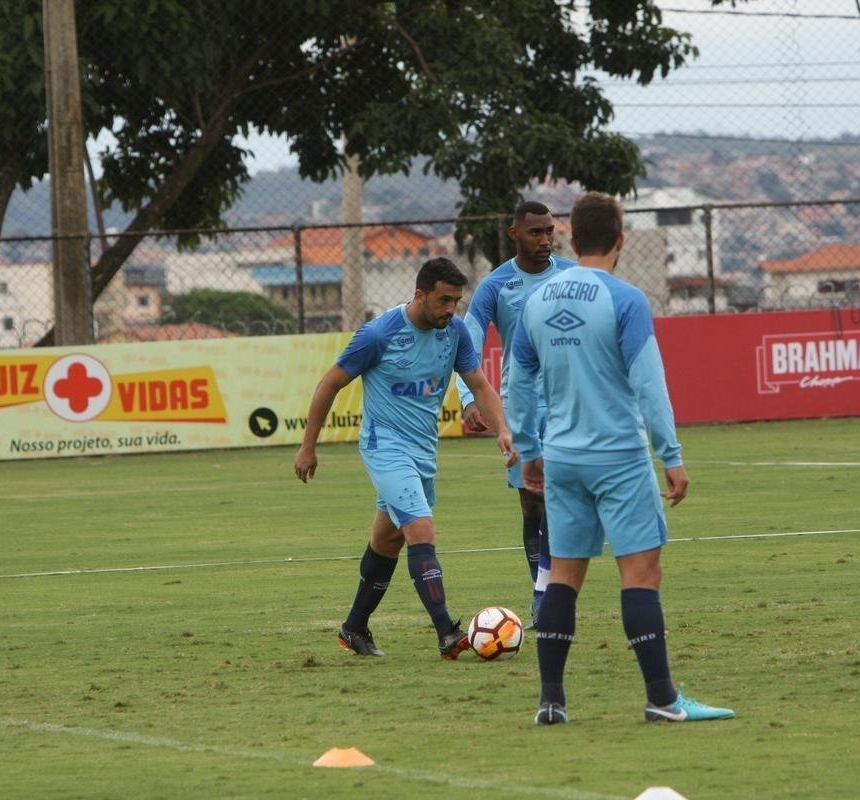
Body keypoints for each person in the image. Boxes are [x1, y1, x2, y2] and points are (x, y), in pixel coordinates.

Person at [506, 192, 734, 724]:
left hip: (561, 458)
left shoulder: (536, 301)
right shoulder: (626, 300)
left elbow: (518, 383)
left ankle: (551, 703)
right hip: (619, 458)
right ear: (620, 240)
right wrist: (671, 456)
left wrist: (529, 451)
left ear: (569, 238)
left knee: (563, 576)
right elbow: (649, 385)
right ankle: (662, 700)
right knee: (640, 574)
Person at [295, 257, 516, 659]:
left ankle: (354, 629)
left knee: (388, 539)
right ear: (420, 295)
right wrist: (309, 446)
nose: (451, 309)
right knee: (420, 529)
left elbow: (480, 384)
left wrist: (502, 428)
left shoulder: (456, 333)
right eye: (444, 300)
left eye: (456, 301)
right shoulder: (379, 334)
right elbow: (329, 384)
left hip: (423, 451)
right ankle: (447, 632)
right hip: (385, 446)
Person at [455, 200, 574, 626]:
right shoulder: (496, 286)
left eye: (549, 231)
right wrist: (468, 398)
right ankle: (543, 595)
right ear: (514, 234)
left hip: (570, 405)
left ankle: (552, 592)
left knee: (563, 501)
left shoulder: (572, 278)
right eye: (536, 232)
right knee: (532, 504)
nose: (545, 240)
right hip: (521, 407)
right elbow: (467, 340)